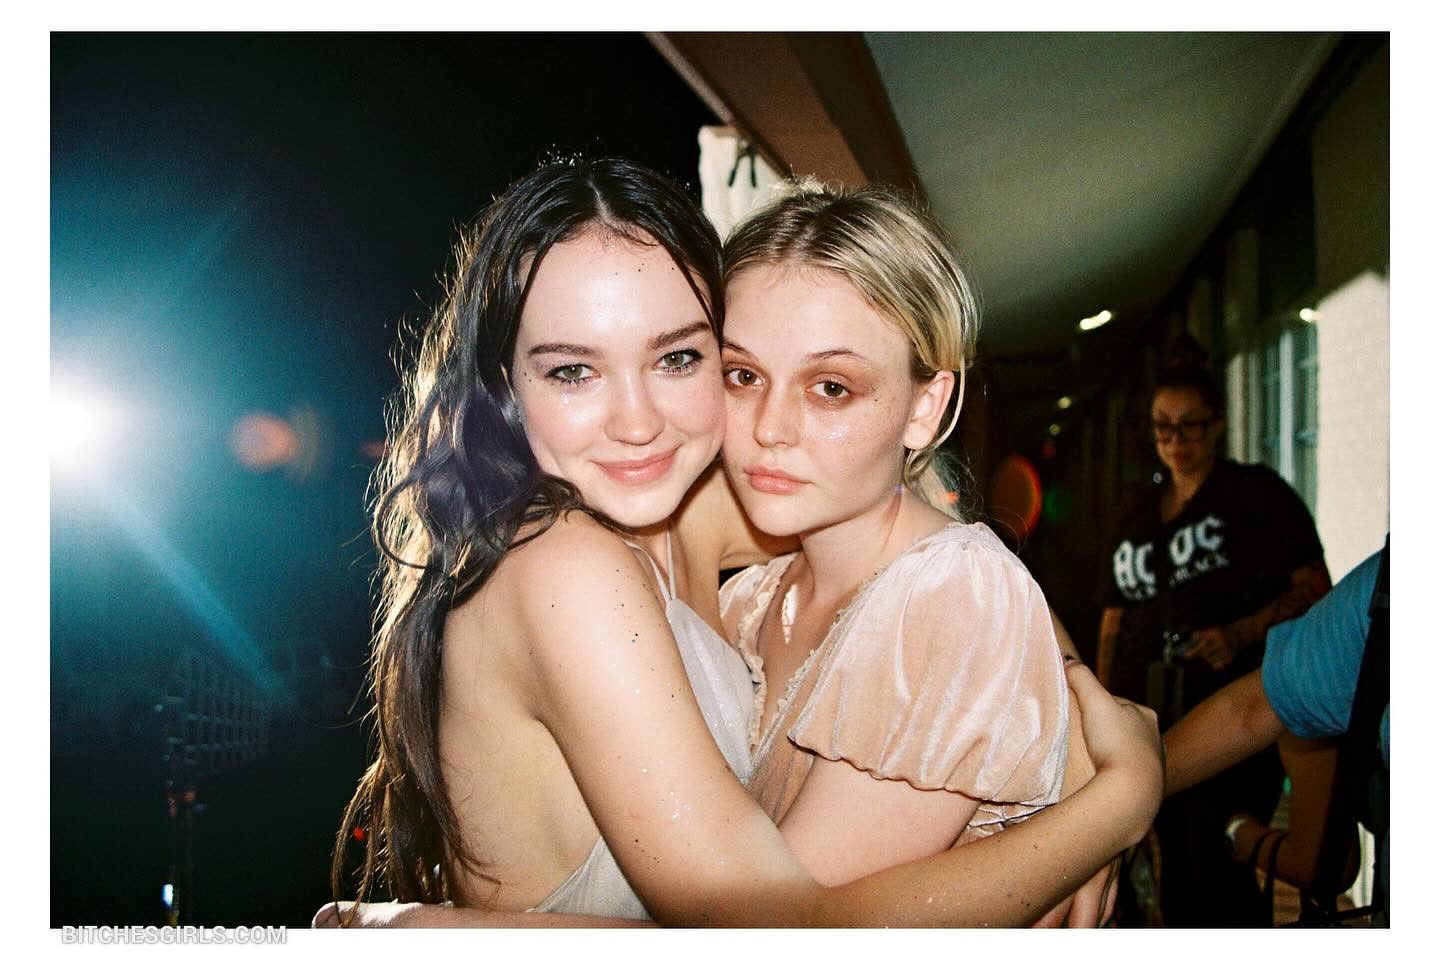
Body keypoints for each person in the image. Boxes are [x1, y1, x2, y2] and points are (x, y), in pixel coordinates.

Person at [327, 158, 1161, 927]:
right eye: (572, 371)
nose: (637, 422)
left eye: (679, 359)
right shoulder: (566, 566)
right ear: (505, 384)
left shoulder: (692, 509)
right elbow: (773, 932)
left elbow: (948, 551)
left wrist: (1063, 706)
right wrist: (1119, 804)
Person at [1095, 343, 1331, 927]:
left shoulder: (1256, 494)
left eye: (1189, 425)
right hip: (1152, 712)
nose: (1175, 440)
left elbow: (1314, 588)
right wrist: (1100, 705)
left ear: (1218, 423)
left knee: (1215, 866)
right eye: (1162, 426)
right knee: (1168, 863)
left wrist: (1241, 632)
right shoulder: (1137, 512)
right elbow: (1114, 617)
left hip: (1233, 712)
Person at [1164, 541, 1389, 926]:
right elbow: (1248, 709)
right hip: (1224, 721)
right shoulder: (1377, 592)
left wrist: (1239, 833)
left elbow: (1321, 865)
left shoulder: (1274, 514)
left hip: (1270, 717)